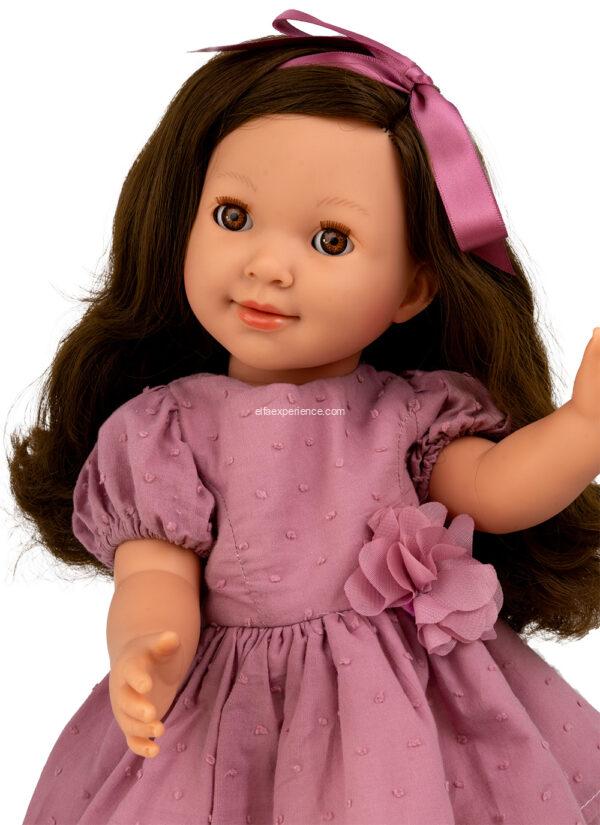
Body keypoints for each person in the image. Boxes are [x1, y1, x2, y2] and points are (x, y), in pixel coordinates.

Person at [11, 10, 600, 825]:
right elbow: (155, 575)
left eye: (330, 240)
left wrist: (582, 428)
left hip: (403, 719)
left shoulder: (409, 414)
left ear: (413, 288)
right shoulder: (166, 429)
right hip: (228, 718)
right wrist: (145, 649)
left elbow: (495, 488)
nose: (267, 265)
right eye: (233, 217)